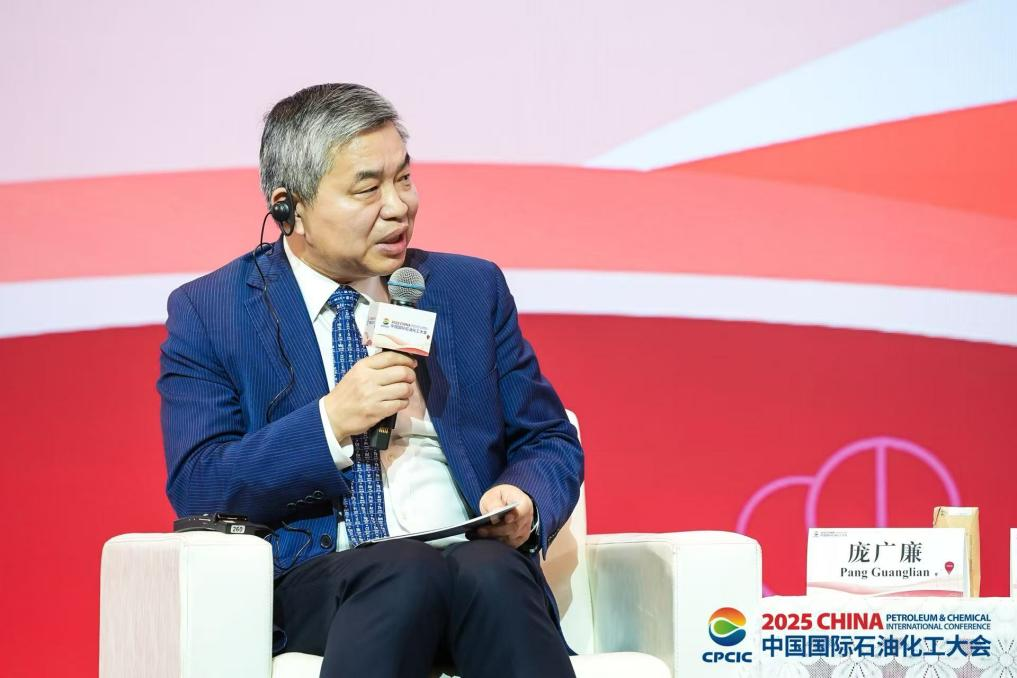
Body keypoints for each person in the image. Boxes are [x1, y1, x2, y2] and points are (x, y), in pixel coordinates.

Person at [157, 83, 583, 678]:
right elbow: (199, 483)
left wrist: (524, 499)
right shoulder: (213, 310)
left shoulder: (468, 289)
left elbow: (548, 438)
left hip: (471, 565)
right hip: (327, 582)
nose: (398, 206)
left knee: (491, 570)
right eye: (367, 188)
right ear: (289, 208)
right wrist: (330, 422)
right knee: (404, 569)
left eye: (403, 179)